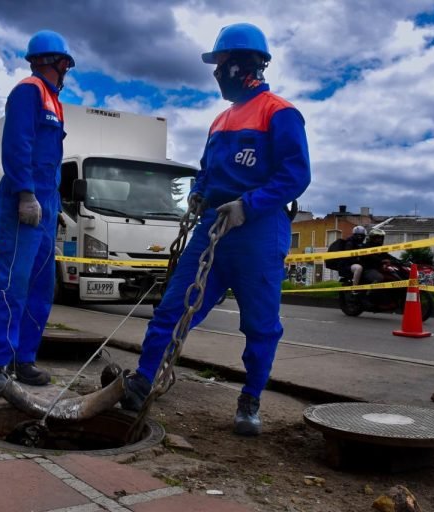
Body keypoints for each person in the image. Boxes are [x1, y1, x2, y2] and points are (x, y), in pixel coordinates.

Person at [119, 23, 311, 436]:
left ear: (245, 65)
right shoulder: (220, 121)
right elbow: (208, 172)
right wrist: (198, 195)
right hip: (211, 229)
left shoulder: (280, 113)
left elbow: (295, 175)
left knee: (260, 325)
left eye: (221, 65)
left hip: (258, 231)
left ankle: (250, 397)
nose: (216, 73)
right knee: (173, 307)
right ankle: (142, 380)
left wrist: (249, 205)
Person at [0, 30, 75, 396]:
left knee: (40, 287)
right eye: (65, 63)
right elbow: (17, 145)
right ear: (56, 62)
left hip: (46, 205)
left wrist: (55, 207)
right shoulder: (28, 91)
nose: (66, 71)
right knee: (12, 286)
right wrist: (25, 193)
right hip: (25, 201)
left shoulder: (53, 100)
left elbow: (50, 159)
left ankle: (24, 359)